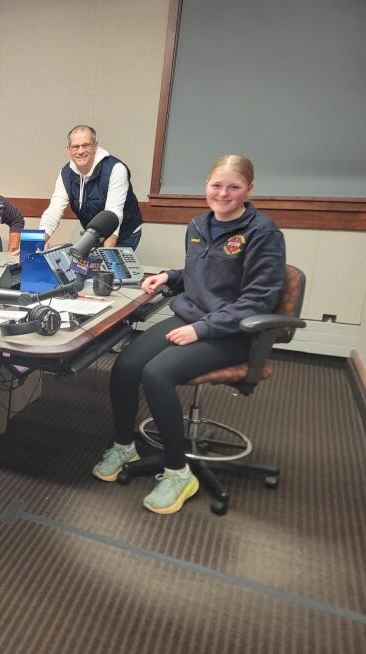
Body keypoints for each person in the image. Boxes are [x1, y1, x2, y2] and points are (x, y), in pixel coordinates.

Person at [93, 155, 285, 514]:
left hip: (232, 332)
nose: (223, 193)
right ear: (206, 186)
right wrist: (169, 276)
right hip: (192, 319)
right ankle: (124, 445)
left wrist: (201, 329)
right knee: (126, 364)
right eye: (216, 185)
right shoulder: (198, 225)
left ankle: (179, 472)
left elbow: (259, 301)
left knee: (157, 373)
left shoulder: (263, 233)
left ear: (249, 189)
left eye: (234, 187)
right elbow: (200, 274)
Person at [39, 125, 143, 249]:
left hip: (124, 233)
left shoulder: (116, 169)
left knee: (108, 267)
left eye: (86, 145)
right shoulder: (65, 174)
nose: (81, 151)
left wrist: (106, 254)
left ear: (95, 146)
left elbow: (114, 214)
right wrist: (36, 244)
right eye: (75, 147)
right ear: (68, 149)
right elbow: (53, 212)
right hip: (96, 233)